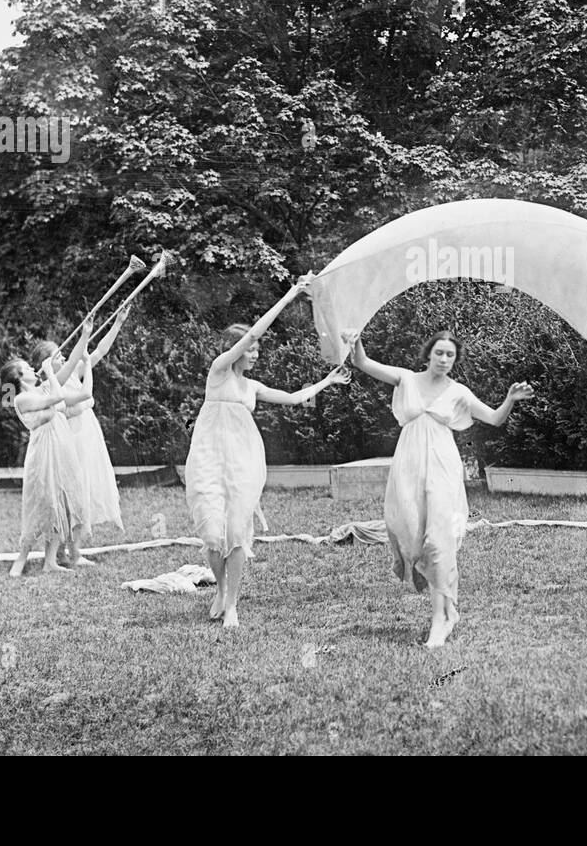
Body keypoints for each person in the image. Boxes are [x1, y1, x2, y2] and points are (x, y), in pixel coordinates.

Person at [342, 328, 534, 647]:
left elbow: (494, 418)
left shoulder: (458, 391)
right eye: (439, 353)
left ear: (455, 360)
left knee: (439, 539)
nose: (444, 359)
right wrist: (356, 338)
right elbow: (362, 362)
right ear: (428, 354)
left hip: (443, 465)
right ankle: (446, 610)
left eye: (450, 355)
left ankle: (440, 620)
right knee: (411, 531)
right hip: (409, 464)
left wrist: (510, 399)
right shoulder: (406, 379)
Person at [185, 273, 350, 628]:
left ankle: (231, 604)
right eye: (252, 350)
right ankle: (221, 588)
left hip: (243, 462)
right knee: (213, 534)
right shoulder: (219, 372)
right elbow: (253, 332)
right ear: (237, 350)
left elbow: (292, 398)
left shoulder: (251, 386)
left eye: (257, 350)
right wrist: (290, 294)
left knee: (236, 532)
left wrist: (328, 381)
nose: (256, 354)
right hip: (209, 459)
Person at [31, 305, 132, 567]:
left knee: (85, 490)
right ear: (46, 364)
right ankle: (67, 553)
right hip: (71, 439)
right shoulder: (52, 385)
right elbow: (76, 400)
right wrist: (84, 335)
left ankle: (73, 551)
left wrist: (118, 324)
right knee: (73, 494)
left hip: (88, 436)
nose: (64, 360)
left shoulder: (72, 374)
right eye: (58, 357)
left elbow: (99, 352)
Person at [0, 316, 93, 577]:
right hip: (44, 453)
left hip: (60, 447)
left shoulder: (39, 389)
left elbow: (70, 367)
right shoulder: (23, 397)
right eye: (28, 367)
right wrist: (51, 372)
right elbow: (58, 395)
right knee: (40, 503)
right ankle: (22, 557)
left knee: (59, 502)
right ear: (20, 376)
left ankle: (50, 561)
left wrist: (85, 334)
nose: (33, 368)